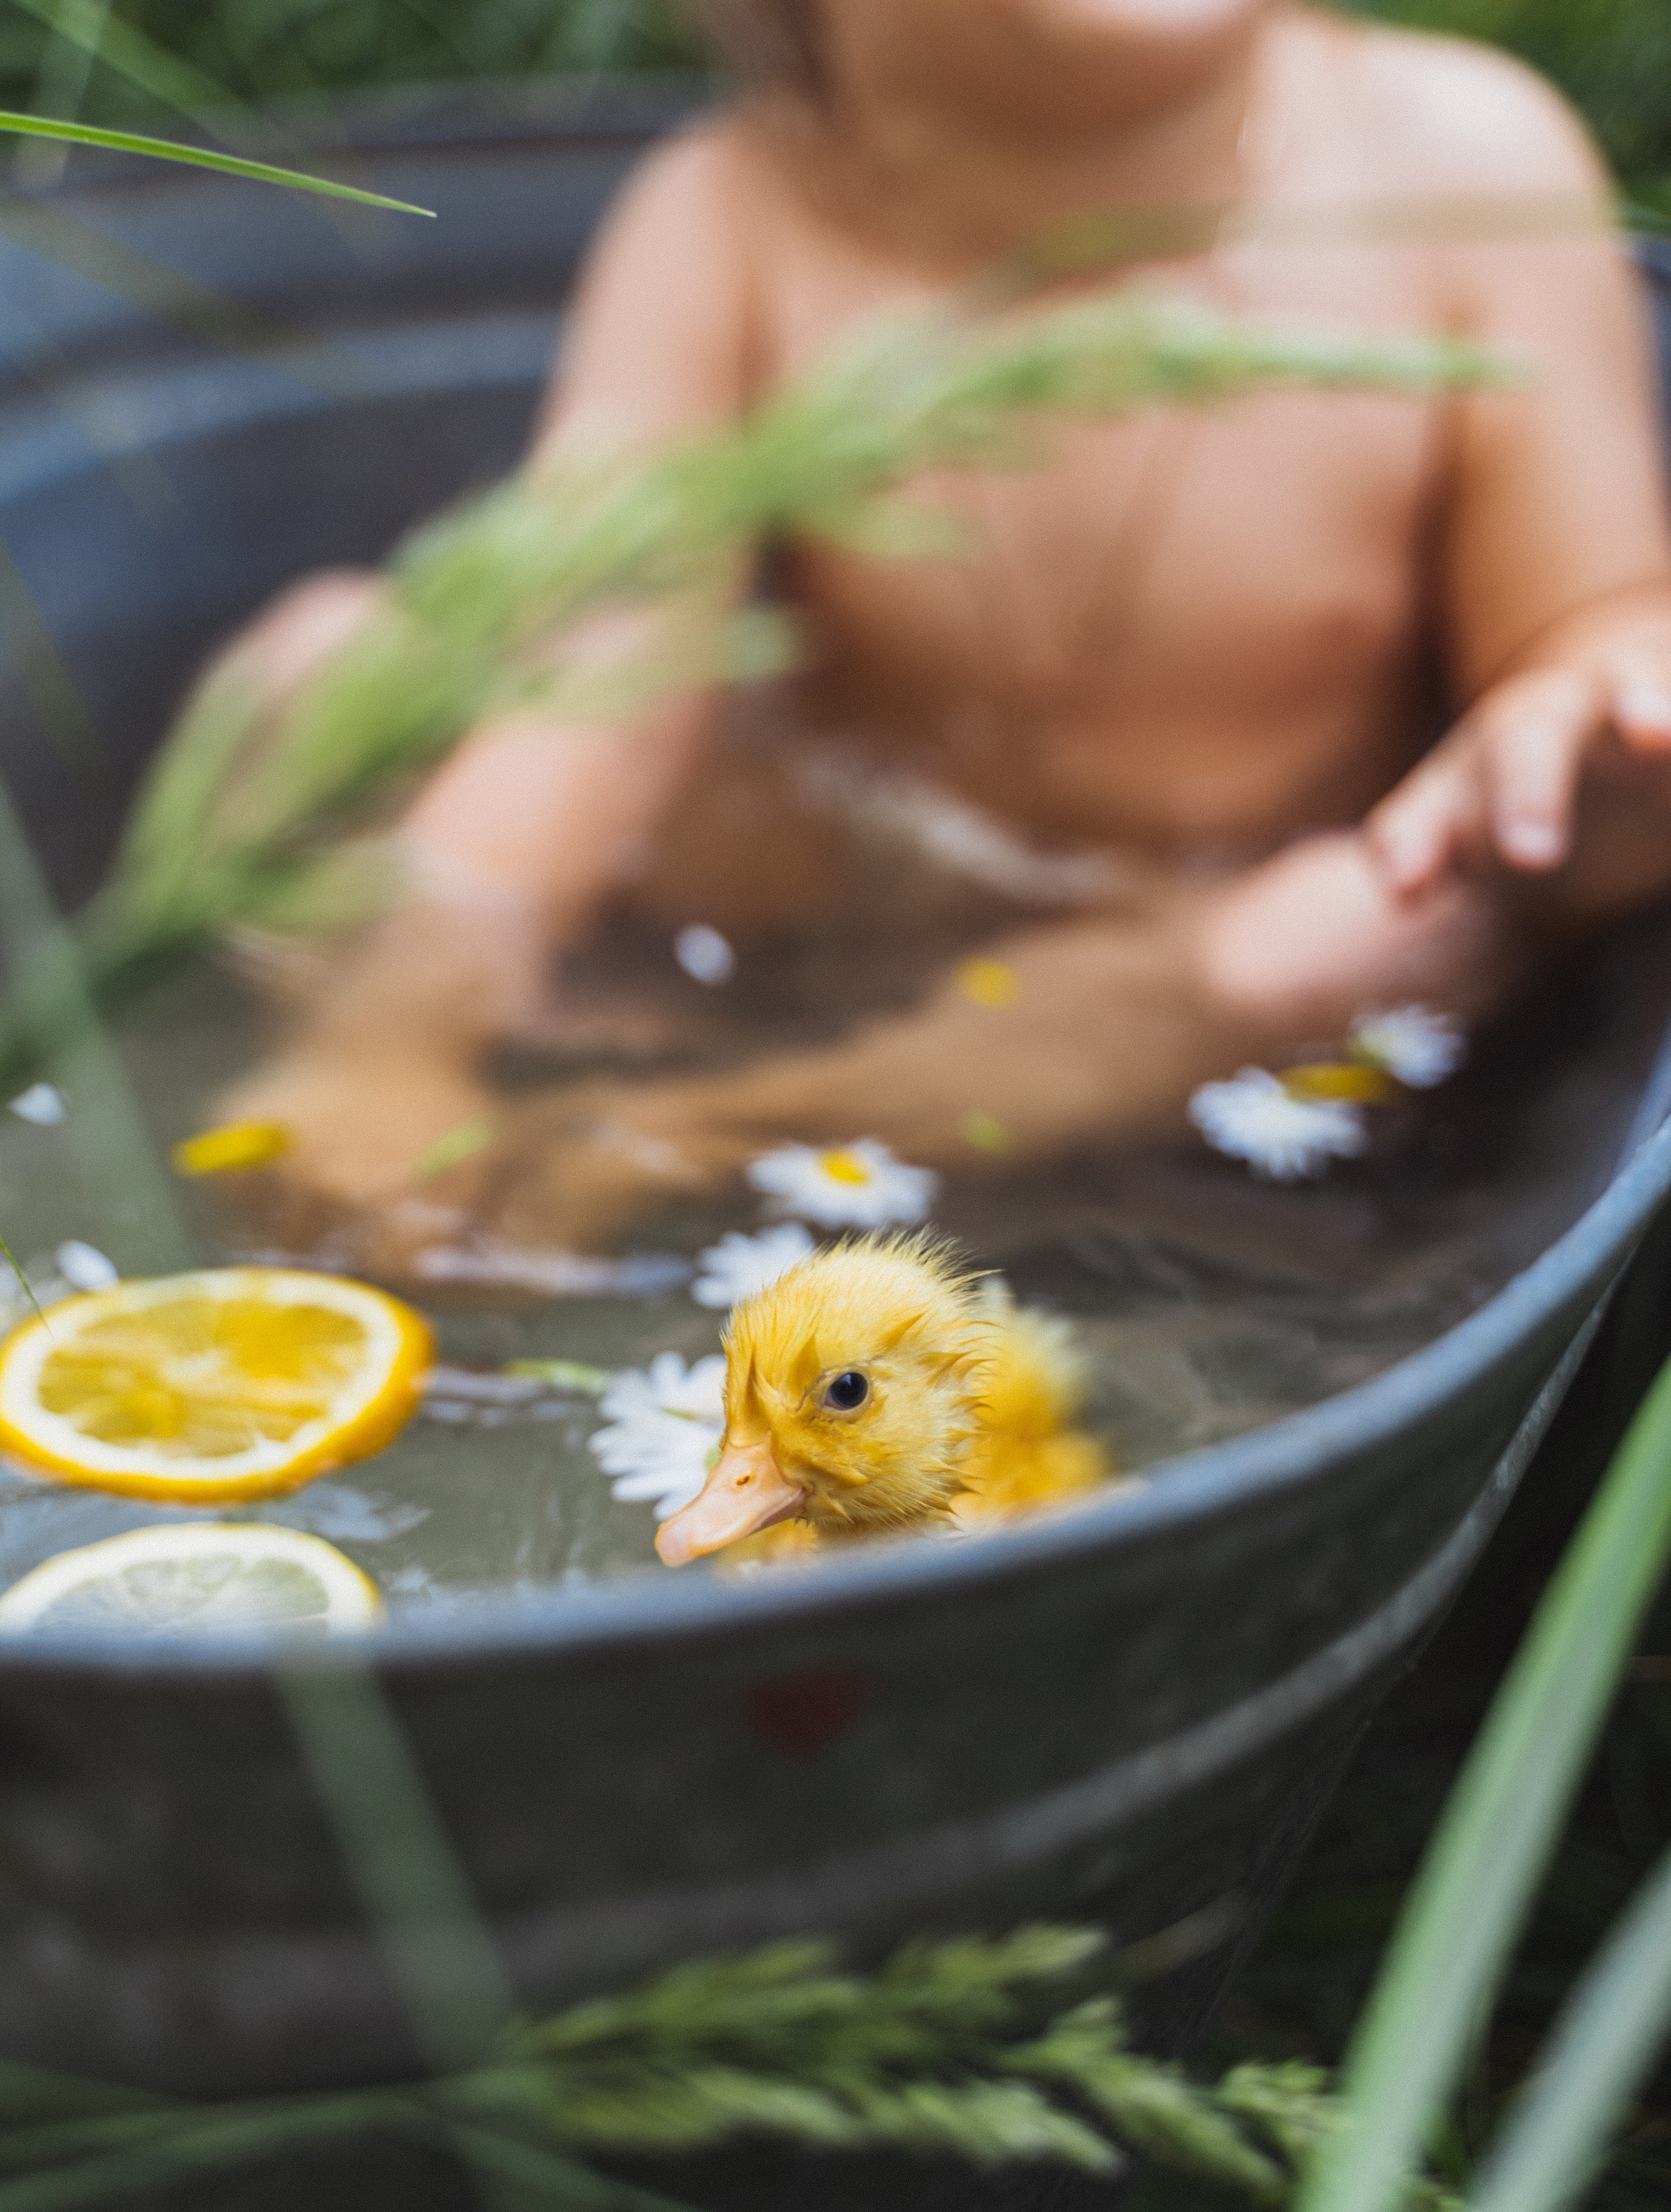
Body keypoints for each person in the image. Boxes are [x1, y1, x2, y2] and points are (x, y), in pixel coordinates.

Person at [213, 0, 1671, 1268]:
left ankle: (690, 1131)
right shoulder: (735, 213)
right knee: (319, 675)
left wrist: (1581, 697)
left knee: (1388, 919)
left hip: (1212, 943)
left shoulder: (1457, 166)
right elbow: (596, 680)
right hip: (847, 867)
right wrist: (392, 1036)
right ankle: (592, 1062)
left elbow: (1587, 612)